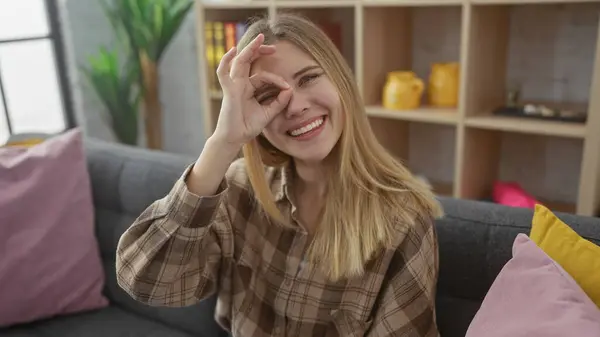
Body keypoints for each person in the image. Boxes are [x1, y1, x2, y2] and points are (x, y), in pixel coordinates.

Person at [116, 13, 444, 337]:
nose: (294, 106)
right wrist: (223, 143)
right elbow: (147, 282)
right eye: (269, 95)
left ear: (340, 80)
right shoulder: (239, 188)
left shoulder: (404, 220)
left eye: (308, 78)